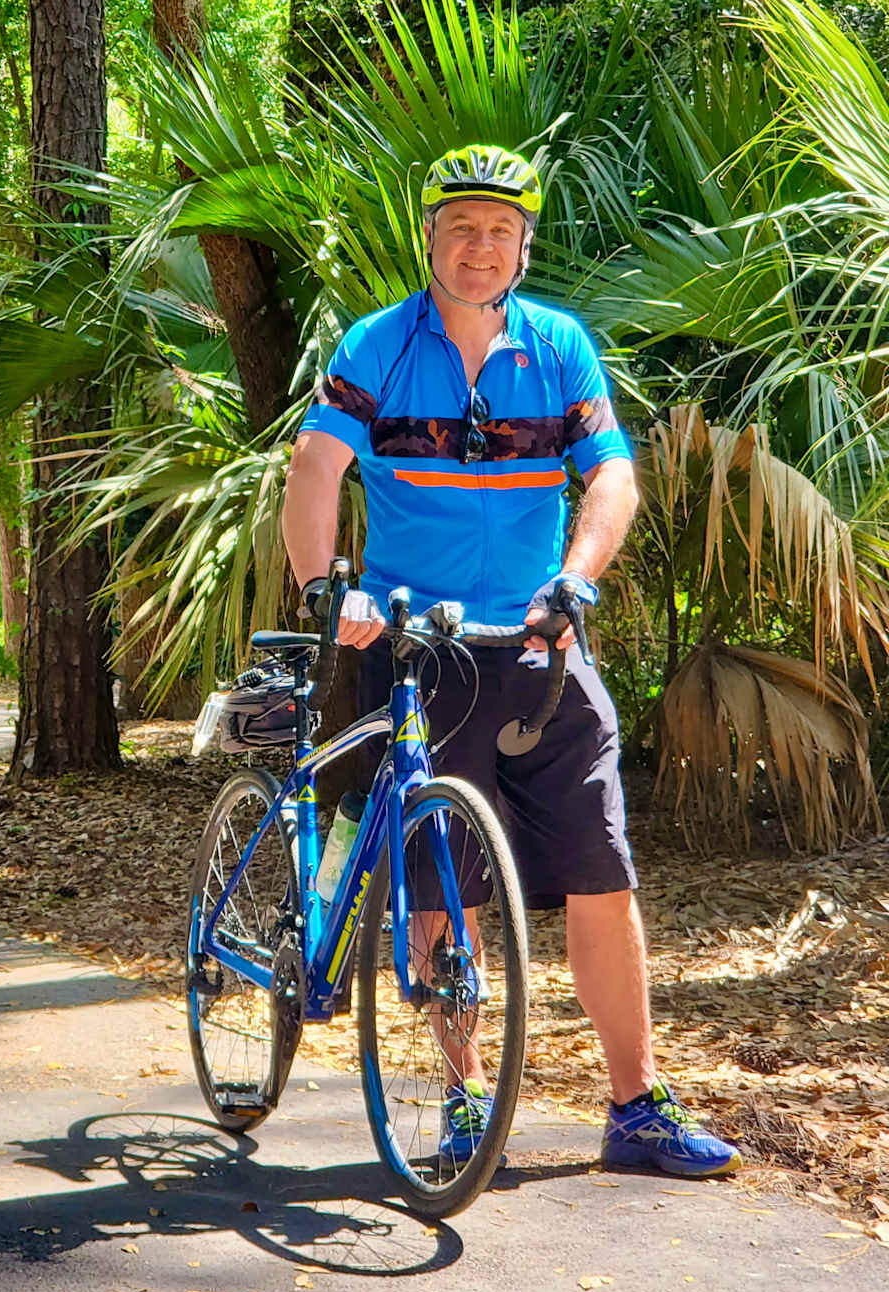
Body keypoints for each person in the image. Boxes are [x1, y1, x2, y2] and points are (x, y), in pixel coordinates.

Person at [281, 143, 739, 1179]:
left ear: (524, 245)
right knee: (451, 884)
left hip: (540, 644)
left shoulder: (560, 346)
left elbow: (611, 478)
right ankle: (462, 1098)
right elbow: (316, 471)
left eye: (500, 231)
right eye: (461, 228)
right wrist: (326, 589)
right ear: (430, 238)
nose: (480, 248)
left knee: (604, 874)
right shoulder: (377, 346)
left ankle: (635, 1107)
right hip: (422, 652)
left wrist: (575, 581)